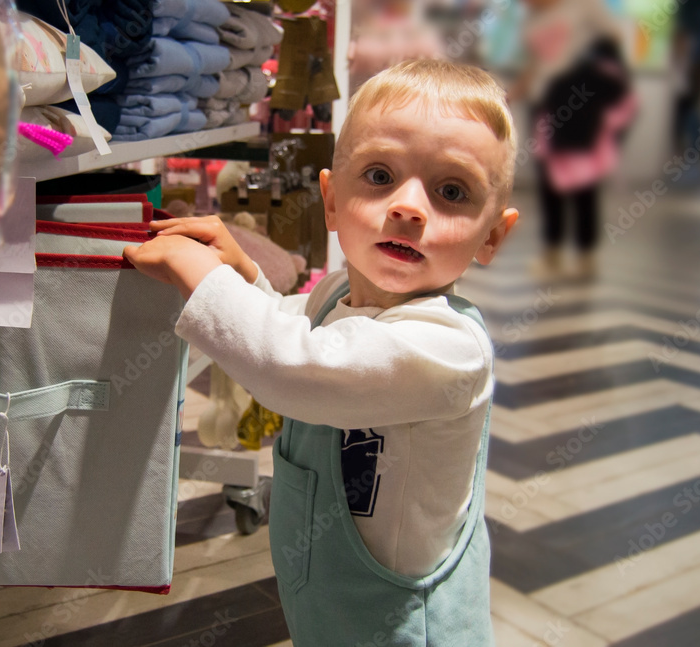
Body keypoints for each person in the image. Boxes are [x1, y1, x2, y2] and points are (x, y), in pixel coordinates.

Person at [124, 59, 519, 646]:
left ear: (492, 235)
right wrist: (245, 273)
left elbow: (297, 369)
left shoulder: (449, 349)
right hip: (327, 607)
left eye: (451, 191)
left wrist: (202, 278)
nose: (409, 207)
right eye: (380, 176)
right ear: (331, 202)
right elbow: (294, 329)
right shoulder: (336, 293)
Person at [509, 0, 634, 278]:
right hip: (545, 108)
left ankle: (586, 256)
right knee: (549, 186)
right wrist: (513, 93)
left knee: (583, 185)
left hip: (580, 106)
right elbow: (535, 64)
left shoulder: (584, 6)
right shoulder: (531, 20)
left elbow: (613, 41)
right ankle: (552, 253)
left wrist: (588, 72)